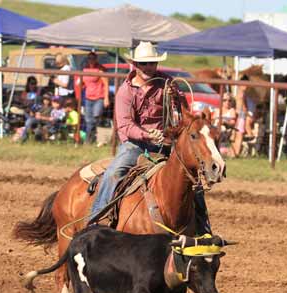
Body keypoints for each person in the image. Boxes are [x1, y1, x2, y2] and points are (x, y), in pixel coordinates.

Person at [89, 41, 214, 234]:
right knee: (114, 172)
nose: (149, 67)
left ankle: (203, 225)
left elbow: (182, 114)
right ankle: (98, 219)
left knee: (192, 179)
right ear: (136, 65)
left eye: (152, 63)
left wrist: (176, 99)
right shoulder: (126, 91)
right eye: (144, 64)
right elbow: (125, 125)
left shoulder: (167, 84)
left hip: (165, 144)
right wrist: (147, 134)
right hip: (135, 145)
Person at [80, 51, 110, 144]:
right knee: (88, 120)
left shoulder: (100, 69)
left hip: (99, 97)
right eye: (89, 58)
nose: (91, 60)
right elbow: (83, 83)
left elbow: (106, 84)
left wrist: (106, 98)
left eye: (93, 58)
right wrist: (80, 85)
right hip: (88, 97)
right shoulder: (85, 69)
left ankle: (94, 138)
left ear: (96, 59)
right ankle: (89, 140)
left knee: (96, 117)